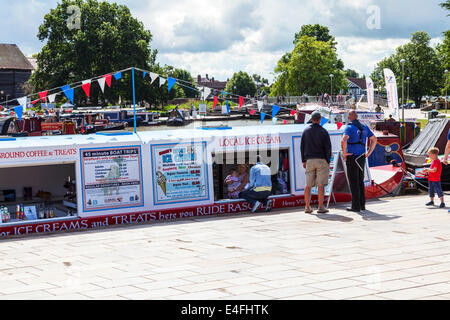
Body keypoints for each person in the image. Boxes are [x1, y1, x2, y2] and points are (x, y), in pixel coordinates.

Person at [341, 110, 377, 212]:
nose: (348, 118)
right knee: (360, 181)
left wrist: (344, 154)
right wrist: (369, 153)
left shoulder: (349, 127)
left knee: (353, 182)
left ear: (351, 117)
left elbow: (344, 140)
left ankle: (355, 207)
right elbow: (374, 139)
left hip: (352, 157)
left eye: (348, 116)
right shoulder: (364, 127)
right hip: (361, 157)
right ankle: (362, 205)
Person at [301, 112, 332, 214]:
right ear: (319, 120)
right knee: (321, 185)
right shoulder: (323, 131)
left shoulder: (306, 131)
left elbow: (302, 147)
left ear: (311, 119)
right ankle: (320, 206)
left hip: (309, 159)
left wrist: (303, 160)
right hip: (321, 159)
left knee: (308, 184)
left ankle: (307, 206)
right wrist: (328, 160)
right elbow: (328, 148)